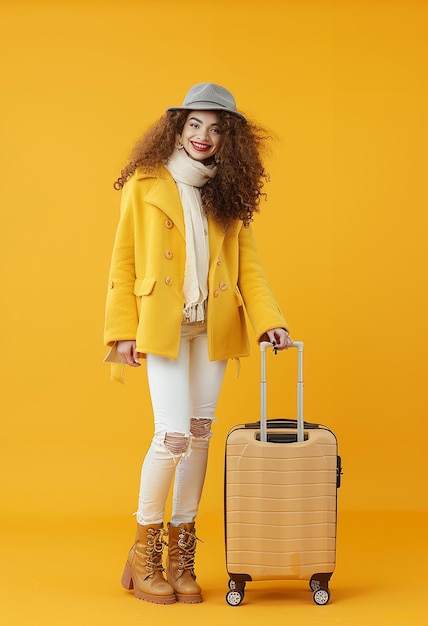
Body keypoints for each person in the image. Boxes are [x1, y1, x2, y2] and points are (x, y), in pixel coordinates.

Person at [104, 82, 292, 605]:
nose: (203, 136)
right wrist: (120, 330)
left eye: (214, 128)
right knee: (173, 436)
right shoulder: (144, 183)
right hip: (161, 329)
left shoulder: (227, 193)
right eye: (194, 125)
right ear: (177, 128)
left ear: (228, 136)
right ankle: (146, 555)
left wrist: (268, 320)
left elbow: (249, 270)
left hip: (211, 329)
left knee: (202, 433)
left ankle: (184, 553)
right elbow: (122, 261)